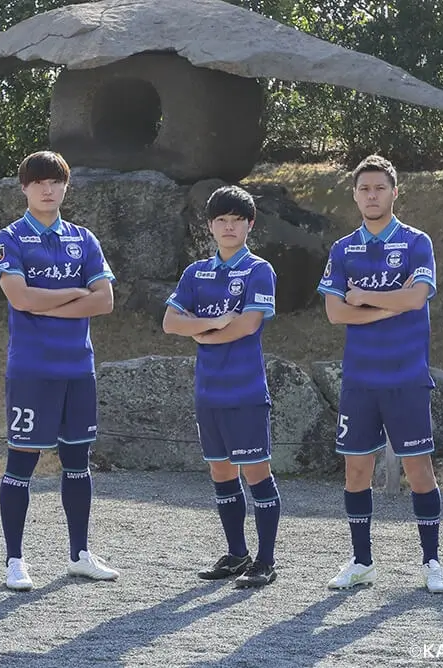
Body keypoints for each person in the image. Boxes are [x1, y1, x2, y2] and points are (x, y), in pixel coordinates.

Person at [317, 154, 443, 593]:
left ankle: (431, 561)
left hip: (407, 375)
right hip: (360, 379)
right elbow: (336, 312)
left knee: (419, 470)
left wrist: (363, 299)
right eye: (364, 189)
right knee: (356, 471)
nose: (372, 195)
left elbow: (416, 299)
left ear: (395, 192)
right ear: (355, 196)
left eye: (379, 188)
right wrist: (384, 306)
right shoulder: (343, 249)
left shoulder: (416, 242)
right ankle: (361, 562)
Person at [0, 150, 119, 591]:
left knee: (77, 462)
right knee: (21, 462)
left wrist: (46, 301)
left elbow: (105, 300)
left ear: (66, 186)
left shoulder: (84, 239)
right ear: (24, 188)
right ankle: (14, 561)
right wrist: (75, 293)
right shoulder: (9, 238)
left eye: (55, 182)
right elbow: (20, 298)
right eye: (39, 183)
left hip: (78, 368)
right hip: (31, 369)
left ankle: (80, 554)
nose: (47, 190)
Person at [162, 185, 281, 589]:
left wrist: (199, 332)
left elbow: (248, 324)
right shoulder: (195, 273)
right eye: (222, 220)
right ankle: (236, 553)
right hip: (208, 391)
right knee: (221, 471)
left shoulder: (258, 270)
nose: (229, 227)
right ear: (210, 226)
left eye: (237, 220)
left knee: (257, 472)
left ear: (250, 225)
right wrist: (212, 323)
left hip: (245, 390)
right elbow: (170, 322)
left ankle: (266, 561)